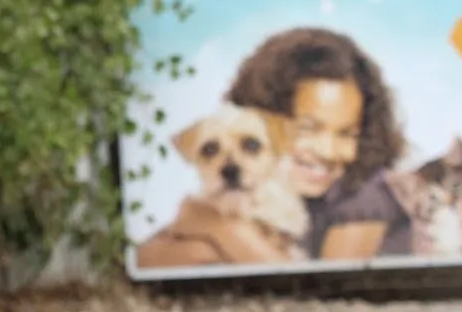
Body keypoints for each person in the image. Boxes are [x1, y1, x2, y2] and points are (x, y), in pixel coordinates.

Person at [136, 27, 411, 267]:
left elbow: (323, 286)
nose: (327, 150)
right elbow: (145, 259)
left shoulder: (365, 196)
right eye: (306, 129)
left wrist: (223, 231)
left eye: (347, 134)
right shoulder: (265, 192)